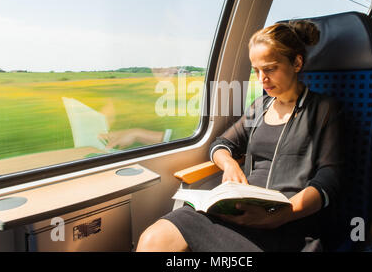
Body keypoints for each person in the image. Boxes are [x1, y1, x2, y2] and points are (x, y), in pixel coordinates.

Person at [136, 21, 345, 252]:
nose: (261, 79)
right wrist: (229, 165)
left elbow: (330, 176)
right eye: (256, 70)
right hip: (241, 211)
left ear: (296, 63)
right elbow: (221, 144)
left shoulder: (324, 110)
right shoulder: (260, 108)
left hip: (288, 221)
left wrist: (282, 214)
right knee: (153, 239)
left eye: (270, 68)